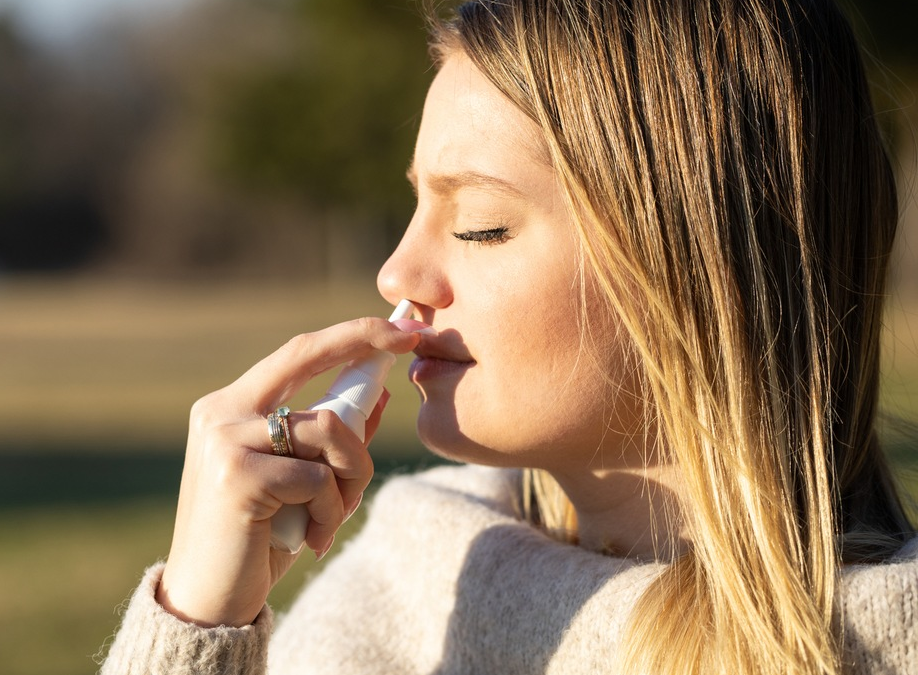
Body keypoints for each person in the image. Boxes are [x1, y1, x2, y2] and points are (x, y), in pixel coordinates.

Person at [102, 1, 918, 673]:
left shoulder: (883, 644)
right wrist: (198, 619)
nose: (397, 274)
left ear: (704, 263)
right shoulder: (408, 585)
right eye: (416, 207)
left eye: (481, 224)